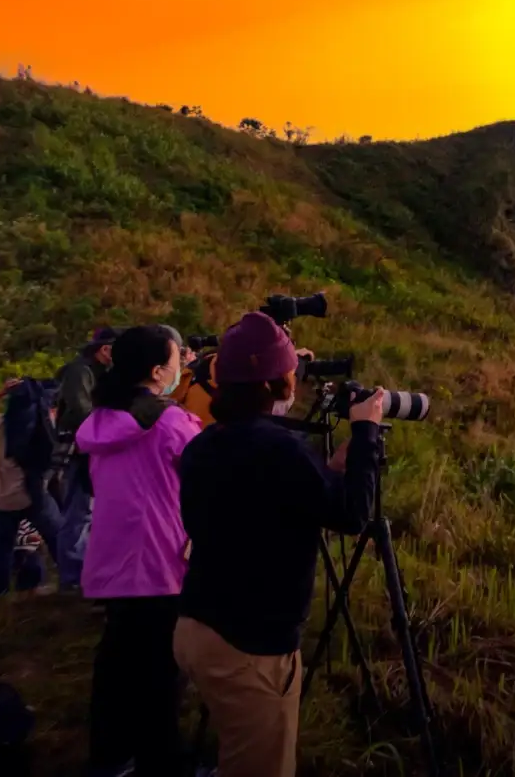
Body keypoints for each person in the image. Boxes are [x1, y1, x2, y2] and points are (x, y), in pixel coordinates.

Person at [174, 312, 380, 777]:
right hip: (250, 648)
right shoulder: (279, 451)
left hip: (195, 626)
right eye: (290, 370)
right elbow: (352, 516)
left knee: (235, 744)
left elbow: (261, 504)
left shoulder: (202, 445)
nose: (296, 378)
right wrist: (366, 432)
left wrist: (328, 472)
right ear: (272, 384)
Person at [75, 325, 199, 777]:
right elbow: (207, 474)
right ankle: (163, 764)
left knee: (116, 665)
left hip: (113, 560)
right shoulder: (170, 422)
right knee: (161, 677)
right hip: (161, 562)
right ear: (155, 370)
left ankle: (110, 758)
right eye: (176, 359)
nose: (182, 365)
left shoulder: (101, 420)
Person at [0, 378, 62, 596]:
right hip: (34, 497)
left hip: (2, 499)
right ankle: (71, 581)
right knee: (57, 536)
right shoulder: (46, 425)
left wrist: (2, 391)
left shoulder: (5, 424)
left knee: (1, 549)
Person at [54, 326, 118, 591]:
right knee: (78, 514)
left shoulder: (96, 372)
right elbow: (81, 410)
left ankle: (84, 571)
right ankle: (72, 577)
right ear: (105, 349)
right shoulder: (80, 371)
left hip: (89, 450)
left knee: (88, 513)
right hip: (79, 452)